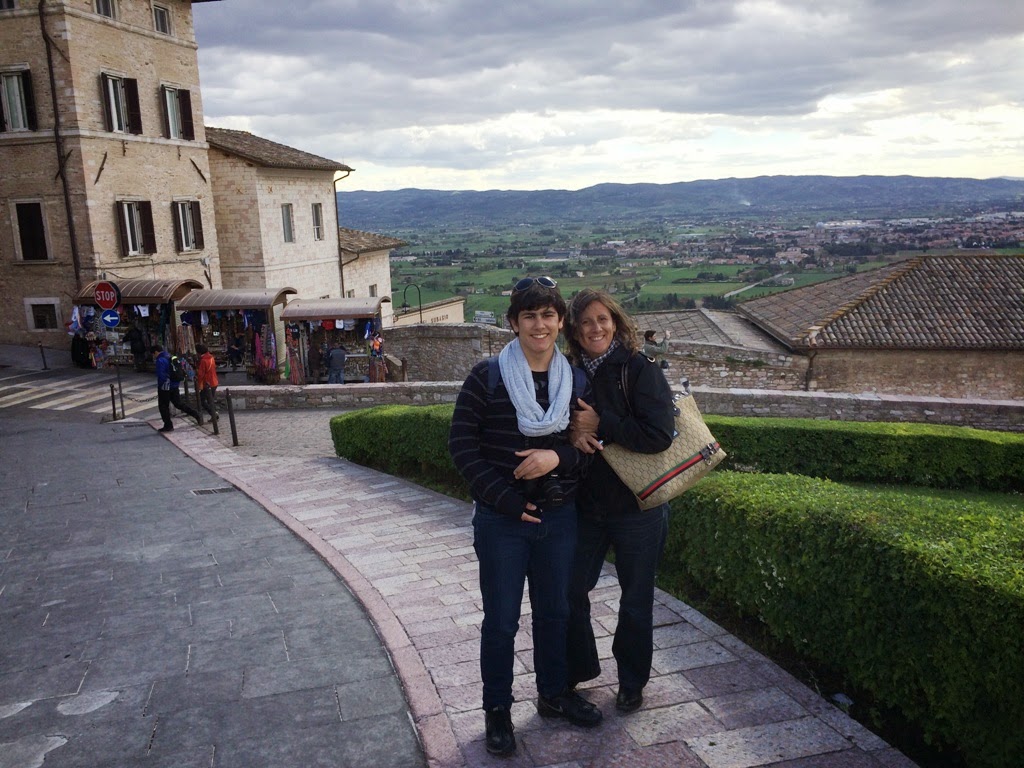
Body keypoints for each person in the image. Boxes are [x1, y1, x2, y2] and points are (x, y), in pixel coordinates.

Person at [448, 276, 601, 758]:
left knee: (555, 612)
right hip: (502, 521)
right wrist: (507, 500)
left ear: (560, 321)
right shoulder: (487, 377)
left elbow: (590, 450)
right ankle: (497, 709)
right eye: (529, 316)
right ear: (513, 323)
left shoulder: (577, 381)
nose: (539, 325)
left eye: (548, 315)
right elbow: (462, 447)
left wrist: (557, 458)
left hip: (559, 518)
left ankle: (554, 693)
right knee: (501, 620)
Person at [563, 288, 676, 715]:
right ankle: (579, 668)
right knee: (570, 589)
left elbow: (659, 436)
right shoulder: (566, 372)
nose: (596, 328)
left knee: (635, 599)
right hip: (585, 507)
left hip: (637, 506)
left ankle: (631, 681)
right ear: (574, 329)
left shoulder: (639, 369)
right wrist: (573, 433)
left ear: (615, 322)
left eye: (603, 319)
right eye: (586, 321)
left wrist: (601, 423)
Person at [151, 344, 201, 433]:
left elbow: (161, 375)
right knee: (178, 403)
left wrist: (161, 385)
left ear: (156, 352)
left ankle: (168, 425)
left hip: (165, 387)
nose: (154, 356)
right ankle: (195, 414)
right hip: (174, 385)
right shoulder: (170, 356)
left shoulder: (160, 360)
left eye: (153, 354)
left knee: (163, 406)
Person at [194, 344, 219, 421]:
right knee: (210, 400)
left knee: (202, 400)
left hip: (207, 383)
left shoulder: (203, 360)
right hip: (214, 381)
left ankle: (213, 414)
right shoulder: (211, 358)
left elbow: (201, 374)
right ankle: (214, 414)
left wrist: (198, 385)